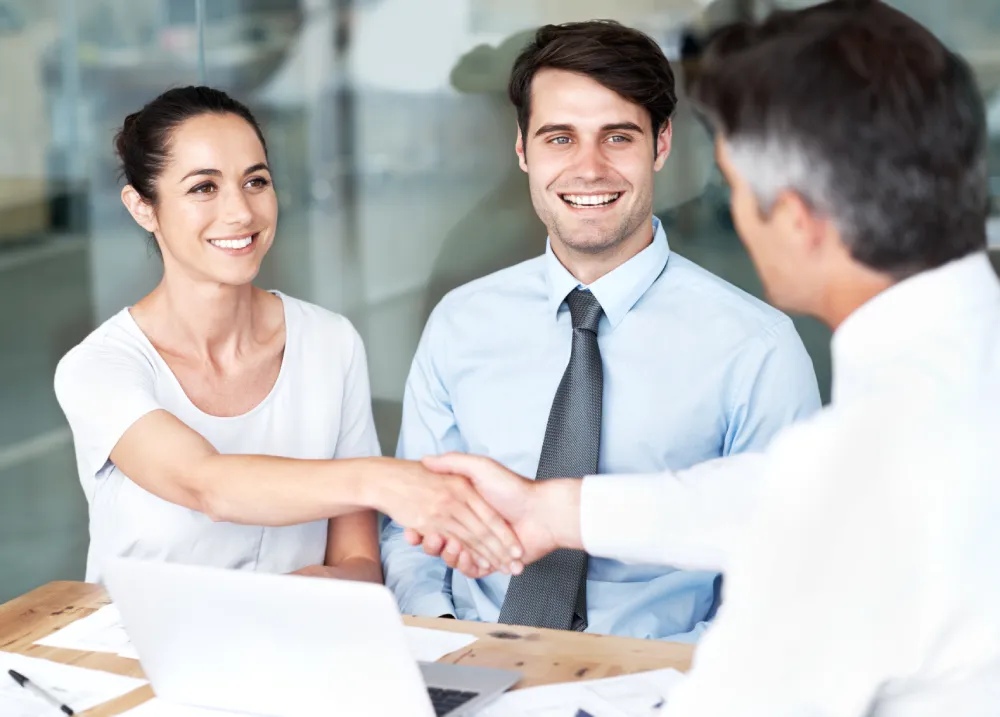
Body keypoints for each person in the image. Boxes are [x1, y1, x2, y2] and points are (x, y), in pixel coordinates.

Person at [415, 1, 1000, 713]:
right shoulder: (945, 381)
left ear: (796, 220)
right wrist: (561, 510)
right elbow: (765, 495)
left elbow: (754, 667)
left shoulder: (862, 453)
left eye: (736, 191)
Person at [381, 20, 820, 640]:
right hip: (473, 657)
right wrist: (445, 633)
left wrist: (667, 676)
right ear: (523, 150)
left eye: (617, 137)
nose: (588, 169)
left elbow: (786, 567)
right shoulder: (460, 322)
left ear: (661, 145)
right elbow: (412, 529)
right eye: (560, 138)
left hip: (669, 674)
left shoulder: (756, 347)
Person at [53, 86, 521, 586]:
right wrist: (386, 480)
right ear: (142, 207)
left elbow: (359, 563)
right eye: (204, 188)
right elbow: (208, 486)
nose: (240, 212)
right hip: (130, 636)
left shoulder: (329, 342)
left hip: (292, 633)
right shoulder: (97, 368)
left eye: (255, 181)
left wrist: (303, 596)